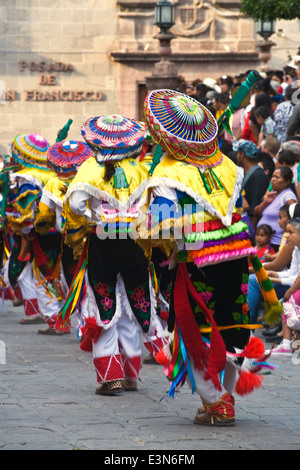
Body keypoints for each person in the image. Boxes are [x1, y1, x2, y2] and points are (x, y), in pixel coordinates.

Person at [141, 89, 264, 427]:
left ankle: (218, 401)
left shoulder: (167, 173)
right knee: (227, 324)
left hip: (198, 259)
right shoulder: (227, 165)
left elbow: (163, 227)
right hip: (236, 255)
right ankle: (218, 400)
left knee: (193, 330)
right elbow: (235, 209)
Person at [62, 114, 167, 395]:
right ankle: (131, 374)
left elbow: (74, 203)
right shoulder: (141, 169)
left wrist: (93, 217)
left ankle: (111, 377)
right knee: (136, 302)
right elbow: (156, 204)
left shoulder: (89, 167)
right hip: (135, 242)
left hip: (103, 242)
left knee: (103, 305)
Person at [34, 139, 94, 334]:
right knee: (94, 282)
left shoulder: (53, 183)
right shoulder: (90, 177)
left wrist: (43, 227)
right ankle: (93, 325)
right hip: (95, 237)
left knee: (73, 282)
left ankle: (83, 327)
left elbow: (43, 215)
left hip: (69, 240)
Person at [3, 133, 62, 325]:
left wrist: (24, 232)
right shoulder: (50, 174)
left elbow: (27, 210)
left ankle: (53, 317)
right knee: (48, 273)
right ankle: (44, 312)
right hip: (55, 230)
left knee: (40, 274)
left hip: (37, 233)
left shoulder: (26, 177)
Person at [266, 217, 300, 356]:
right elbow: (293, 274)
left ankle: (287, 344)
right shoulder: (297, 250)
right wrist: (274, 275)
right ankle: (290, 344)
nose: (286, 235)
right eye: (286, 232)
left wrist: (290, 291)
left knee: (287, 300)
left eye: (291, 232)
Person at [254, 166, 297, 251]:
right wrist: (265, 202)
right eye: (273, 176)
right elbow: (256, 213)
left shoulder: (287, 195)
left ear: (287, 182)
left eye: (277, 177)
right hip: (265, 243)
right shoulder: (273, 194)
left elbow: (296, 215)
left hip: (276, 243)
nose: (273, 179)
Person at [235, 139, 270, 232]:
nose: (236, 156)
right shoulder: (243, 173)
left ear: (242, 155)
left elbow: (254, 209)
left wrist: (252, 235)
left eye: (238, 153)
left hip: (251, 227)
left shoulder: (258, 176)